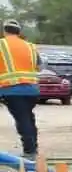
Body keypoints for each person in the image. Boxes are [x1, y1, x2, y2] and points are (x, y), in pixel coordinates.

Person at [0, 18, 41, 158]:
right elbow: (39, 66)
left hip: (12, 90)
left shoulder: (1, 45)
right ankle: (33, 147)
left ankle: (30, 151)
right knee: (28, 117)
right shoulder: (30, 46)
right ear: (19, 31)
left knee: (23, 119)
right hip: (32, 90)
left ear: (5, 30)